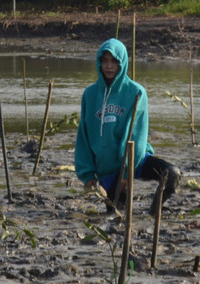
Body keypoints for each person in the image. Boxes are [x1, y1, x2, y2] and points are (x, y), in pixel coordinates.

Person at [75, 38, 179, 215]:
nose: (109, 66)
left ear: (122, 62)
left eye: (114, 61)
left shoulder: (136, 92)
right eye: (105, 61)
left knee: (172, 174)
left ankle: (154, 213)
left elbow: (137, 135)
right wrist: (87, 173)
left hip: (135, 160)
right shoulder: (90, 95)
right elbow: (83, 135)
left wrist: (126, 172)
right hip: (107, 168)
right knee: (117, 216)